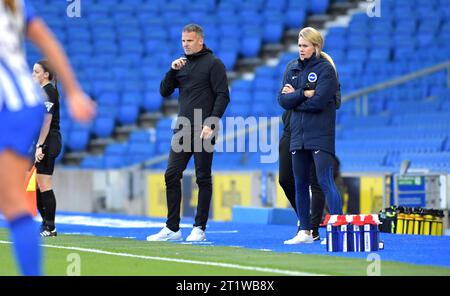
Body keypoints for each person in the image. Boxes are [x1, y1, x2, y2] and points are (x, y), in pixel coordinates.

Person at [0, 0, 95, 275]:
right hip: (21, 107)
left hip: (12, 108)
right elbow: (49, 43)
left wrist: (73, 92)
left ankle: (49, 227)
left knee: (20, 199)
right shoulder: (14, 6)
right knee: (13, 202)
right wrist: (74, 91)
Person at [147, 24, 230, 242]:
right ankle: (172, 228)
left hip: (205, 128)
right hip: (183, 127)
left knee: (202, 177)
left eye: (189, 41)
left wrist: (211, 123)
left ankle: (199, 228)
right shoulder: (180, 65)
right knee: (171, 174)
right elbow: (164, 91)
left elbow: (223, 96)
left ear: (200, 41)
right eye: (183, 41)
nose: (185, 44)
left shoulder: (214, 64)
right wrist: (172, 70)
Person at [278, 27, 343, 244]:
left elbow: (319, 102)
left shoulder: (326, 70)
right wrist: (304, 94)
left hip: (320, 135)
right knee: (300, 184)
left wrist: (296, 99)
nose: (301, 49)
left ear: (316, 47)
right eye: (299, 45)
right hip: (298, 134)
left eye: (305, 46)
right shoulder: (292, 68)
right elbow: (282, 101)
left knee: (325, 181)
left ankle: (337, 230)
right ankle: (304, 232)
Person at [31, 59, 61, 237]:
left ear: (46, 74)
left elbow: (47, 121)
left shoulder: (49, 92)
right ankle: (45, 223)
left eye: (36, 72)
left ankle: (51, 226)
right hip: (42, 142)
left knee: (44, 184)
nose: (32, 75)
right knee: (37, 185)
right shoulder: (42, 92)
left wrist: (40, 145)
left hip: (49, 141)